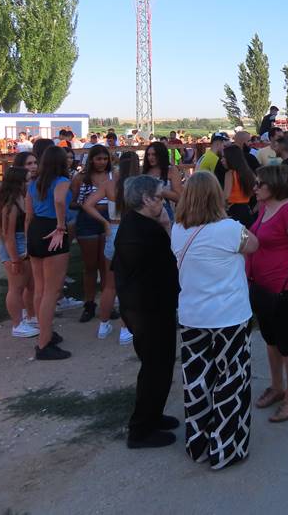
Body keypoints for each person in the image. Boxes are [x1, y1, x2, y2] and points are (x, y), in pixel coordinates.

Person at [172, 171, 259, 469]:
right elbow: (254, 245)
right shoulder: (231, 229)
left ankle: (197, 443)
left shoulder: (178, 230)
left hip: (193, 316)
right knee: (231, 381)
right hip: (229, 316)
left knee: (197, 380)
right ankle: (226, 447)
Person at [110, 175, 180, 449]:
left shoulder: (133, 222)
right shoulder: (148, 229)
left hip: (144, 304)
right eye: (160, 198)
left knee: (160, 365)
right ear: (147, 199)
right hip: (148, 307)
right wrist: (166, 225)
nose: (163, 202)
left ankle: (153, 415)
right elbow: (176, 256)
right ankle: (140, 430)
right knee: (155, 366)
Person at [247, 165, 288, 423]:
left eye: (258, 183)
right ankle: (277, 387)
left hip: (284, 288)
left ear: (273, 185)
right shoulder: (265, 206)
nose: (254, 187)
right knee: (271, 338)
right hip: (263, 286)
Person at [84, 150, 140, 346]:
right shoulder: (138, 185)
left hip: (113, 230)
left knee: (110, 284)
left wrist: (105, 222)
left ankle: (103, 324)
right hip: (132, 232)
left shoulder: (109, 184)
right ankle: (125, 329)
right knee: (130, 284)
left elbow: (88, 204)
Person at [26, 146, 73, 360]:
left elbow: (29, 215)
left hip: (35, 230)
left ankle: (45, 332)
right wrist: (61, 225)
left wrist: (29, 240)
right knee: (51, 292)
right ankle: (44, 344)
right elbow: (60, 200)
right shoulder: (62, 182)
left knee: (40, 288)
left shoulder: (34, 184)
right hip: (53, 230)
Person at [70, 145, 115, 326]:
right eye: (98, 159)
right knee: (90, 266)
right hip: (87, 220)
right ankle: (89, 304)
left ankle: (107, 303)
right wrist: (85, 204)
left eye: (105, 159)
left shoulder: (113, 176)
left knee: (106, 265)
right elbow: (72, 202)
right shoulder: (80, 178)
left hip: (108, 219)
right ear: (91, 160)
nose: (102, 162)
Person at [0, 166, 37, 338]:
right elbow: (8, 235)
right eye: (27, 180)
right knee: (16, 287)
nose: (30, 182)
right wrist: (14, 259)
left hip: (24, 244)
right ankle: (17, 324)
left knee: (30, 284)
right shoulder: (10, 206)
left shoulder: (23, 199)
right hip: (15, 246)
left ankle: (29, 316)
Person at [143, 141, 182, 219]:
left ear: (161, 155)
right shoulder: (145, 171)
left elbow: (179, 197)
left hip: (166, 215)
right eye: (148, 154)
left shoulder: (171, 170)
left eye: (154, 154)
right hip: (147, 215)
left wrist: (159, 191)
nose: (150, 157)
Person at [223, 143, 257, 227]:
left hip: (233, 210)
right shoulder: (248, 173)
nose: (221, 160)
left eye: (224, 157)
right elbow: (255, 190)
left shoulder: (230, 174)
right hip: (246, 209)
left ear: (231, 158)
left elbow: (226, 196)